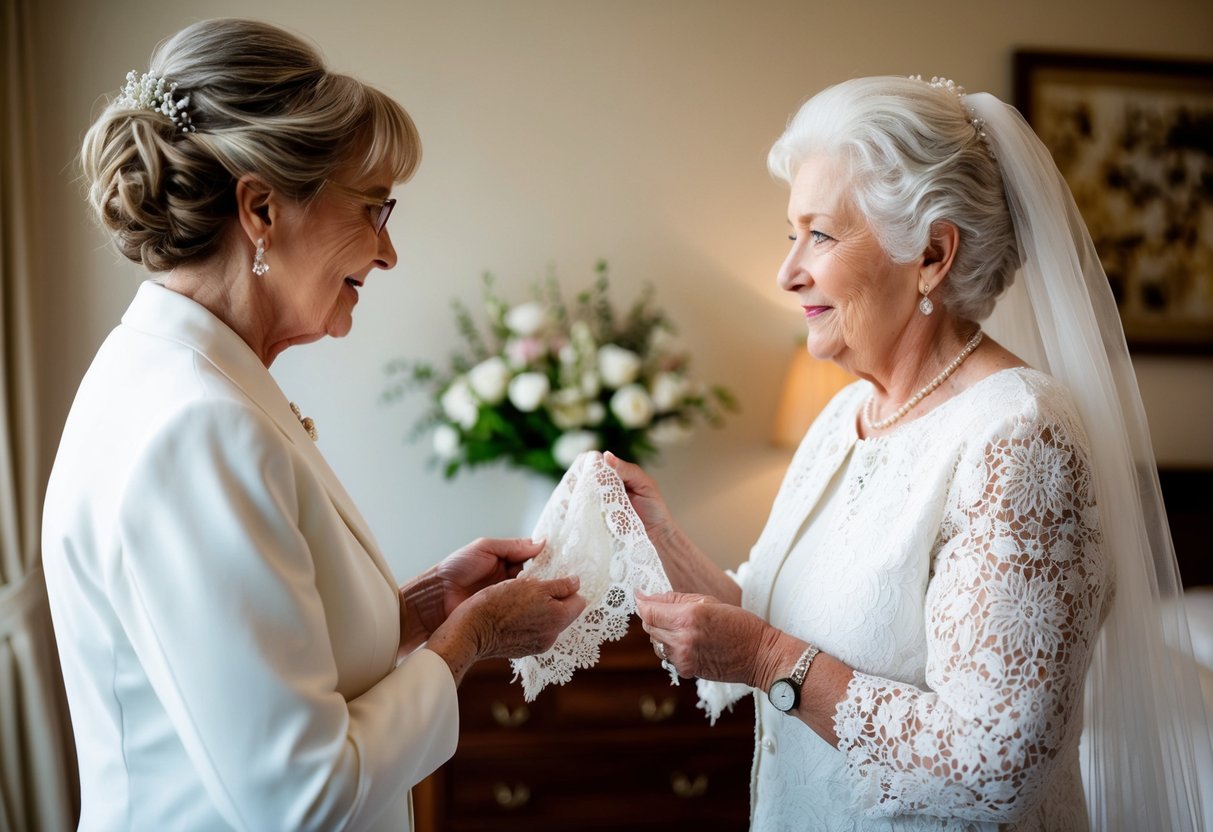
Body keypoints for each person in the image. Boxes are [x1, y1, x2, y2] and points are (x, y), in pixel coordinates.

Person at [613, 75, 1212, 830]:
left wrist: (767, 659)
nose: (786, 270)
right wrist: (657, 535)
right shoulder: (845, 416)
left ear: (930, 254)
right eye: (788, 234)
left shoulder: (1020, 434)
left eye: (819, 235)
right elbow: (773, 620)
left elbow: (994, 764)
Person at [42, 18, 586, 831]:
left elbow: (266, 659)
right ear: (260, 207)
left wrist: (428, 604)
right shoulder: (195, 428)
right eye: (374, 208)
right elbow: (299, 796)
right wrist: (468, 640)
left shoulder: (186, 375)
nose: (388, 252)